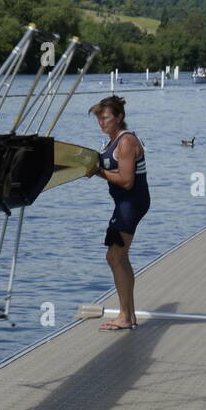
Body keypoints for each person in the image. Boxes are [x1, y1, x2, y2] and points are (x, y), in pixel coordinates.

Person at [86, 95, 150, 331]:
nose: (101, 123)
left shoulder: (125, 142)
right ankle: (129, 315)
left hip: (131, 203)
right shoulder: (113, 140)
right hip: (124, 204)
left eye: (105, 118)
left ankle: (124, 316)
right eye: (99, 119)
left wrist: (98, 171)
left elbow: (126, 181)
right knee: (120, 257)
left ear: (119, 117)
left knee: (114, 257)